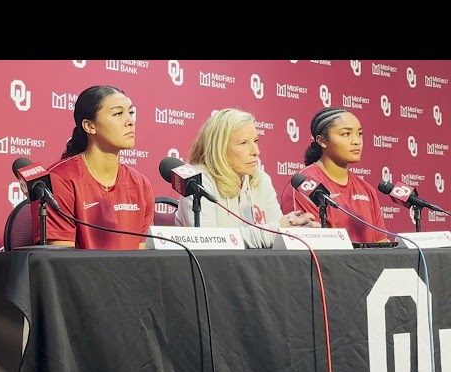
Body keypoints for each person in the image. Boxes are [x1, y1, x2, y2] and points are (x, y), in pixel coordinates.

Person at [174, 108, 319, 248]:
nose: (256, 151)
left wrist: (297, 230)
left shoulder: (261, 179)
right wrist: (277, 230)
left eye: (255, 141)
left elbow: (278, 232)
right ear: (219, 147)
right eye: (243, 143)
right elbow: (208, 241)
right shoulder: (197, 182)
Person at [31, 85, 155, 249]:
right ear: (90, 126)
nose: (130, 122)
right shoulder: (59, 179)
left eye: (131, 113)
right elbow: (60, 262)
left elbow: (142, 257)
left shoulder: (141, 184)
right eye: (118, 113)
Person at [279, 106, 388, 243]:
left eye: (359, 134)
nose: (356, 141)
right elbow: (304, 246)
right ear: (322, 141)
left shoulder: (367, 190)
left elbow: (381, 242)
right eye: (346, 134)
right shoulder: (304, 186)